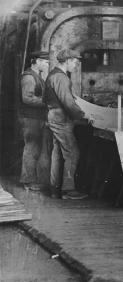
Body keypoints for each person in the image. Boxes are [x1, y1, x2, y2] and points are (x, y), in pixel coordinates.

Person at [44, 48, 88, 200]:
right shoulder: (61, 78)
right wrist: (83, 115)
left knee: (57, 154)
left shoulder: (52, 75)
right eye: (75, 61)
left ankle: (55, 189)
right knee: (72, 153)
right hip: (60, 118)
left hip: (53, 116)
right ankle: (68, 190)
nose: (76, 65)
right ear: (68, 61)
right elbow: (68, 102)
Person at [18, 50, 51, 191]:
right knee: (31, 149)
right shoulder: (29, 78)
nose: (47, 65)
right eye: (45, 62)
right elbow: (27, 98)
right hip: (30, 118)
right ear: (37, 61)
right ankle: (28, 181)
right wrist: (47, 103)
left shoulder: (37, 77)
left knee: (35, 148)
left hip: (36, 117)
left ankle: (31, 180)